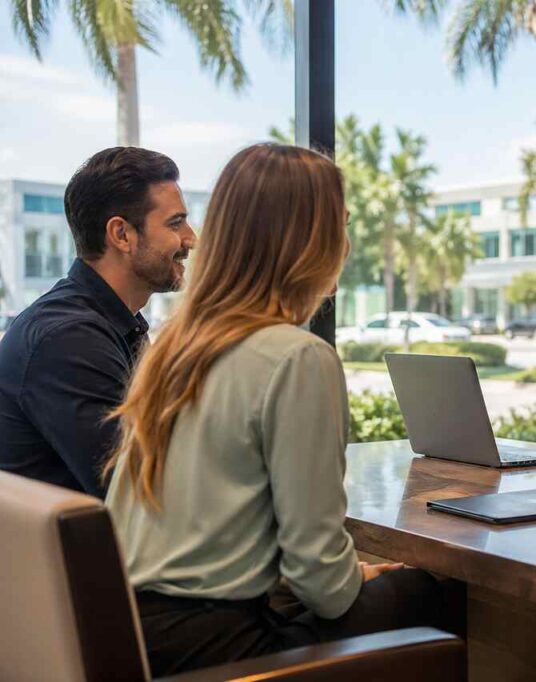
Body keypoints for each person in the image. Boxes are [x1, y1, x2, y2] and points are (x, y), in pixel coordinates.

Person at [103, 143, 443, 677]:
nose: (347, 244)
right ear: (310, 242)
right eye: (341, 224)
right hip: (219, 650)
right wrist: (352, 577)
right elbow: (323, 583)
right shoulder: (298, 357)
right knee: (429, 593)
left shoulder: (175, 348)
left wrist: (338, 575)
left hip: (133, 634)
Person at [0, 147, 195, 496]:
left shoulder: (114, 324)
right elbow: (140, 490)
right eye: (175, 223)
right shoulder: (68, 339)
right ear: (121, 235)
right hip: (85, 549)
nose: (191, 238)